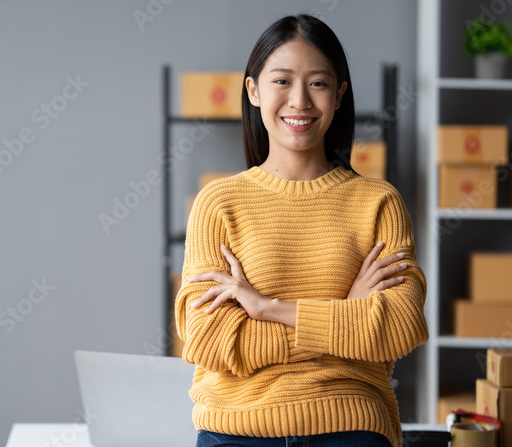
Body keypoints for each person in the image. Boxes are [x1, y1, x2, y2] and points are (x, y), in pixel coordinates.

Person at [174, 14, 428, 447]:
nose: (300, 101)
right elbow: (207, 339)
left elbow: (400, 326)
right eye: (282, 81)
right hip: (237, 430)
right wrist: (346, 315)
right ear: (253, 91)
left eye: (318, 83)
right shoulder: (219, 203)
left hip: (350, 424)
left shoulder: (378, 203)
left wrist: (268, 307)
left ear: (339, 94)